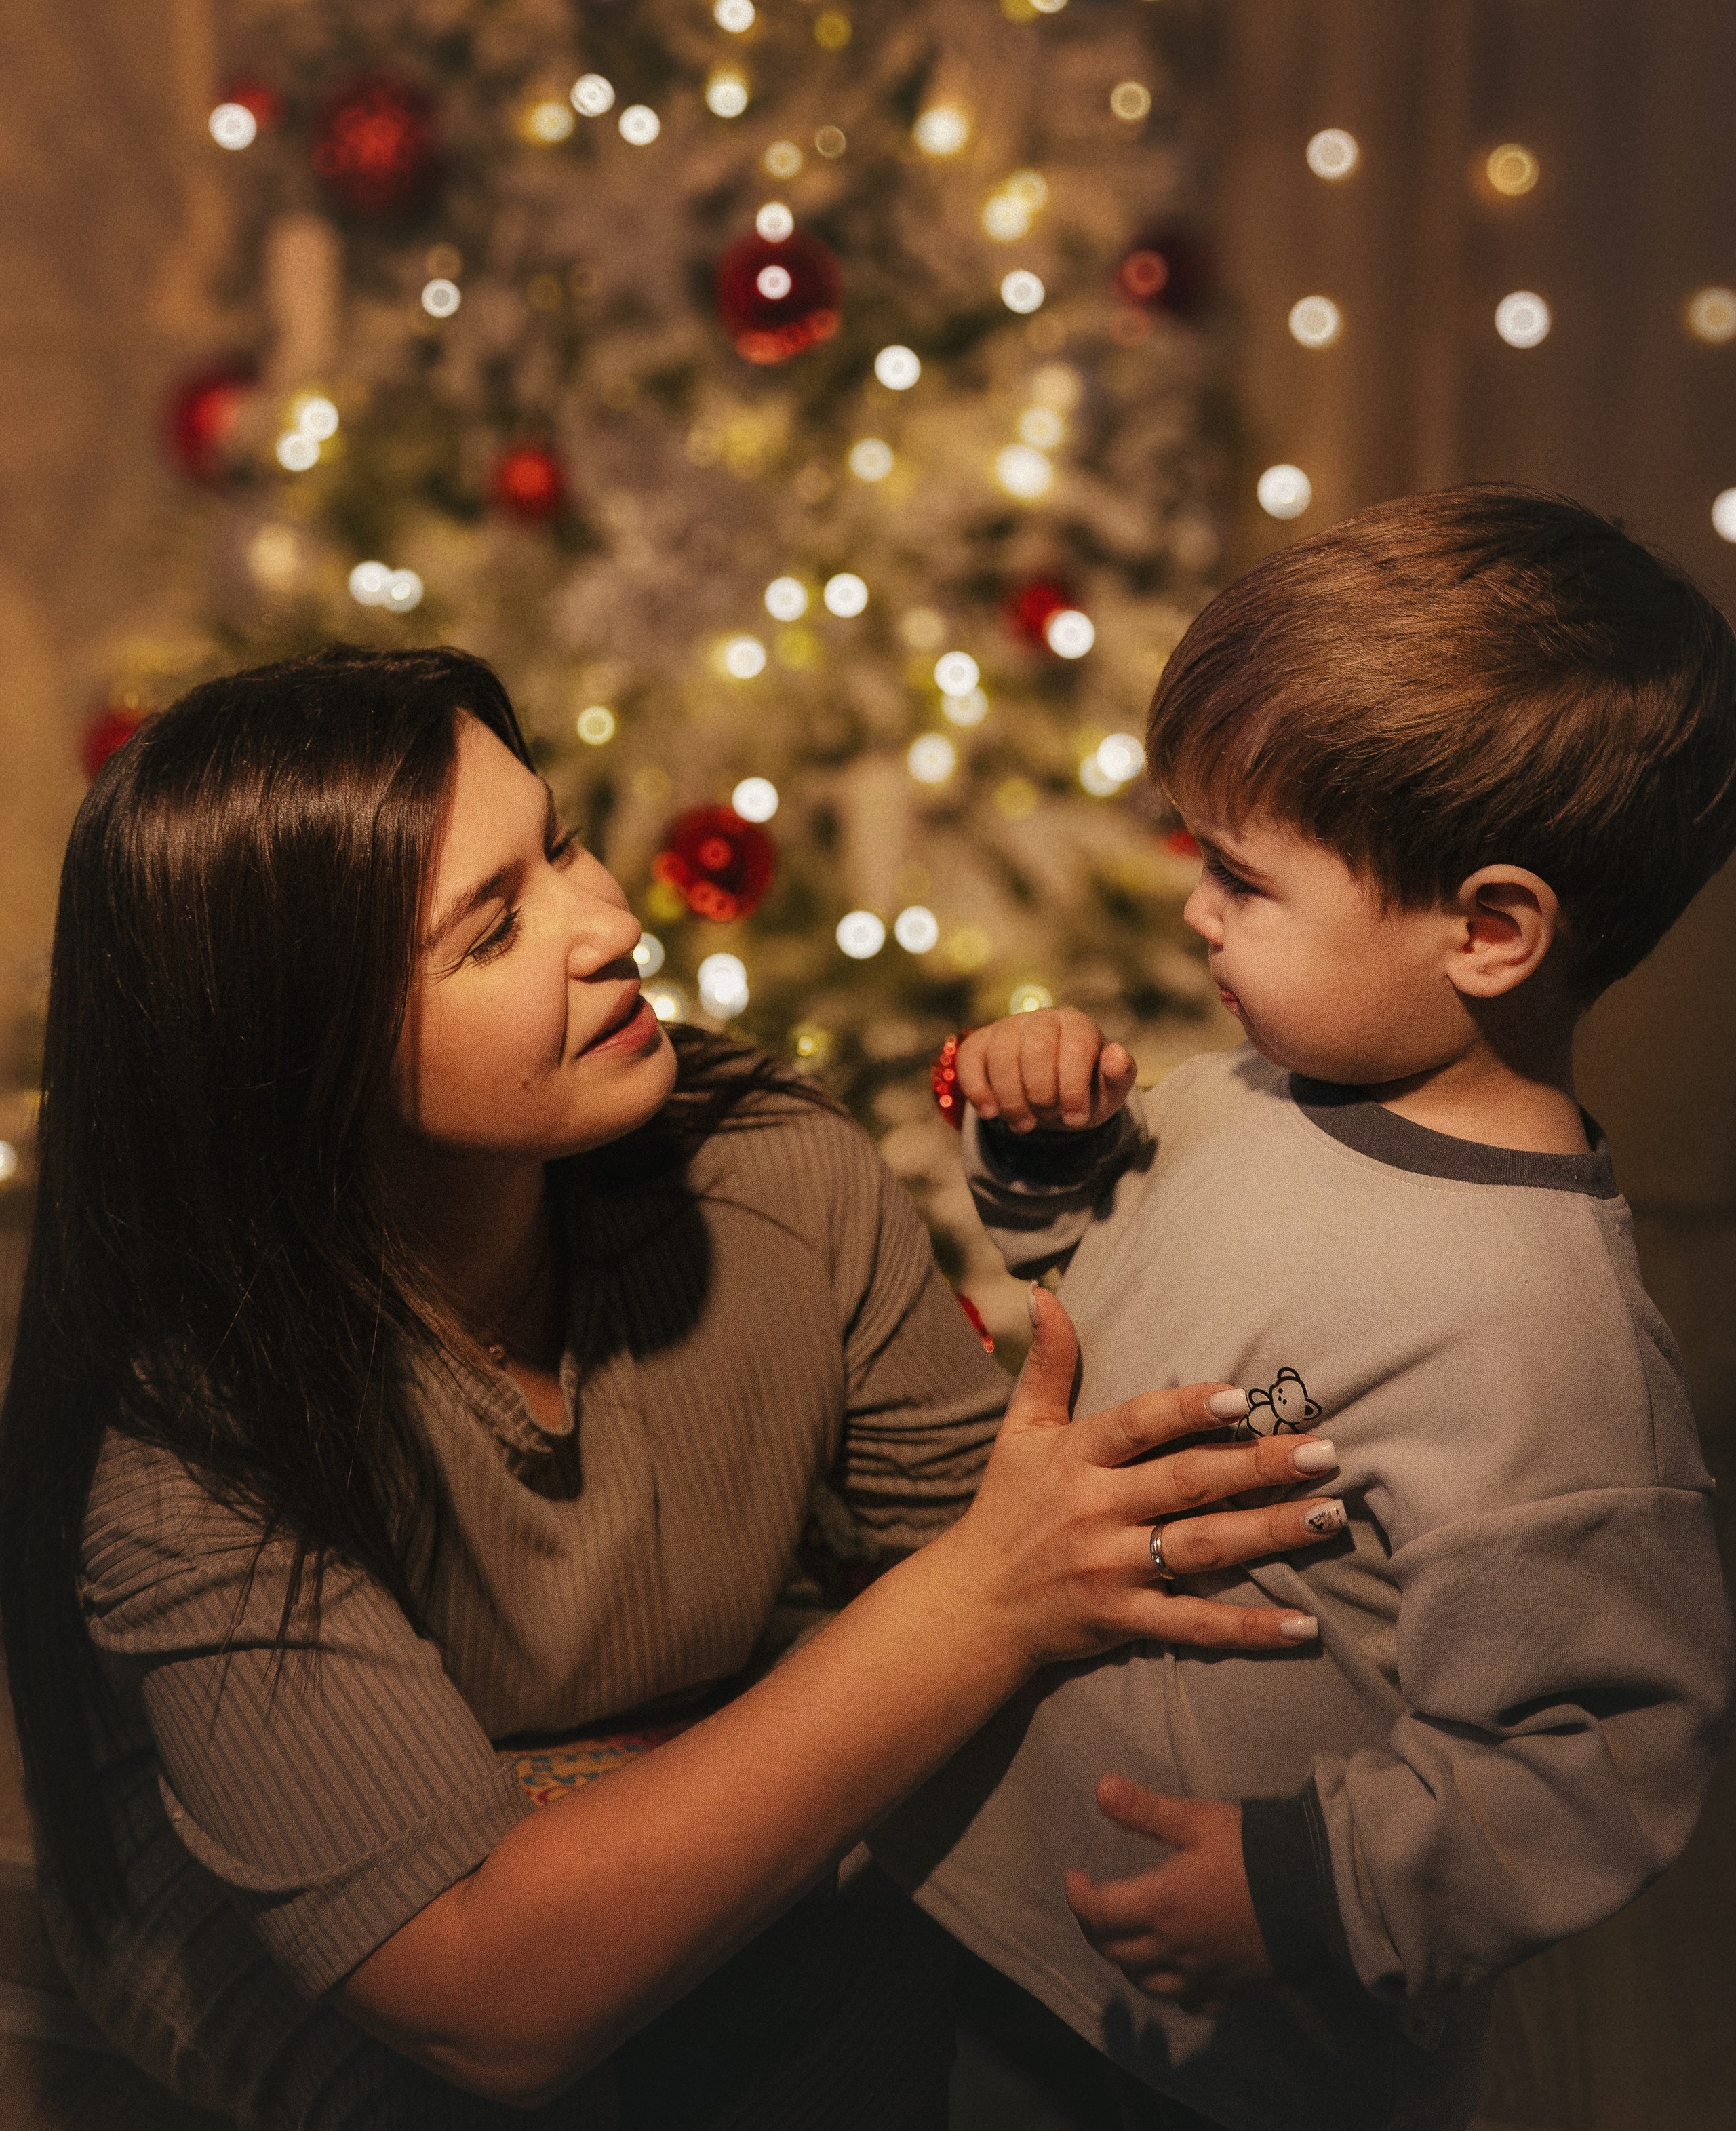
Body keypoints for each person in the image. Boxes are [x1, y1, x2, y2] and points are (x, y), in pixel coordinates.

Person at [0, 645, 1345, 2131]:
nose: (610, 921)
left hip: (677, 1747)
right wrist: (981, 1595)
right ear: (293, 1053)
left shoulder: (769, 1170)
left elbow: (998, 1584)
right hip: (310, 1918)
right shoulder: (190, 1438)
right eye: (492, 928)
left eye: (563, 843)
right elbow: (488, 1995)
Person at [872, 489, 1736, 2131]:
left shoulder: (1540, 1338)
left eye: (1241, 876)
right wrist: (1051, 1150)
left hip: (1218, 2054)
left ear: (1487, 930)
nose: (1193, 906)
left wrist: (1309, 1882)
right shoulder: (1239, 1094)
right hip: (990, 1915)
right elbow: (1100, 1298)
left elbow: (1600, 1751)